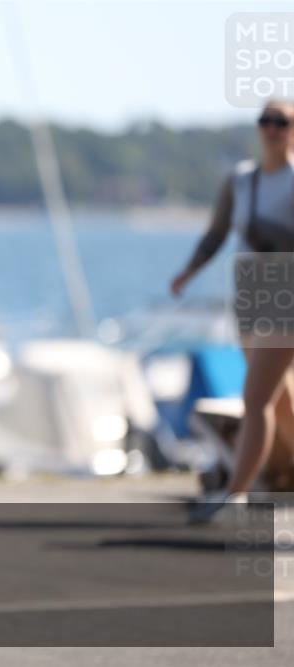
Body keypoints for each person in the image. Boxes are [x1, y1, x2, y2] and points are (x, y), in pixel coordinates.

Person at [170, 100, 294, 523]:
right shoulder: (242, 180)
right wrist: (187, 272)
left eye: (282, 122)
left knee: (256, 397)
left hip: (286, 295)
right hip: (250, 296)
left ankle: (234, 496)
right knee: (279, 404)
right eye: (266, 121)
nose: (272, 129)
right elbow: (217, 232)